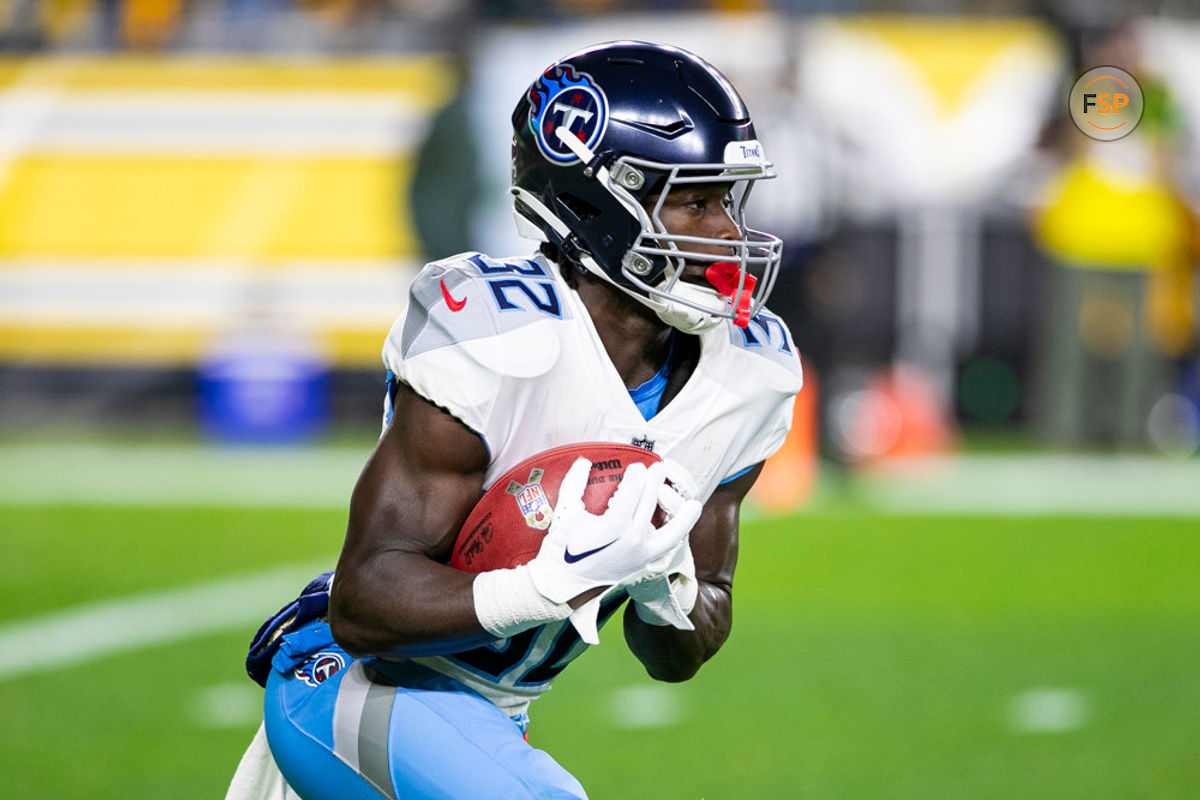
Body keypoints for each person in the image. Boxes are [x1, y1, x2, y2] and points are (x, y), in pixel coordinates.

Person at [226, 40, 803, 800]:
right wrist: (550, 585)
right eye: (695, 201)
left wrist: (666, 585)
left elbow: (680, 652)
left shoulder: (749, 374)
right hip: (353, 687)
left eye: (728, 200)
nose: (726, 232)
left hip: (491, 721)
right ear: (596, 205)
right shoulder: (498, 331)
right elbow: (364, 603)